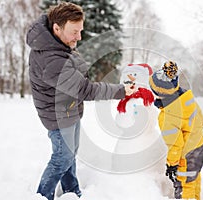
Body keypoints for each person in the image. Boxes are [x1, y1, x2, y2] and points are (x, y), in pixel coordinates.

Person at [26, 2, 134, 200]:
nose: (79, 37)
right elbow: (85, 89)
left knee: (70, 153)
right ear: (56, 28)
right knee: (62, 157)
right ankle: (42, 196)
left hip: (68, 110)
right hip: (58, 115)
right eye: (74, 32)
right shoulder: (51, 59)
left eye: (81, 31)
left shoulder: (56, 44)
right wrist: (121, 91)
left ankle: (71, 190)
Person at [149, 61, 203, 200]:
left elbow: (176, 144)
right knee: (194, 179)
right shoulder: (185, 96)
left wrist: (172, 165)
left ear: (159, 93)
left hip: (187, 155)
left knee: (184, 185)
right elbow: (197, 112)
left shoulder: (168, 115)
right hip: (199, 145)